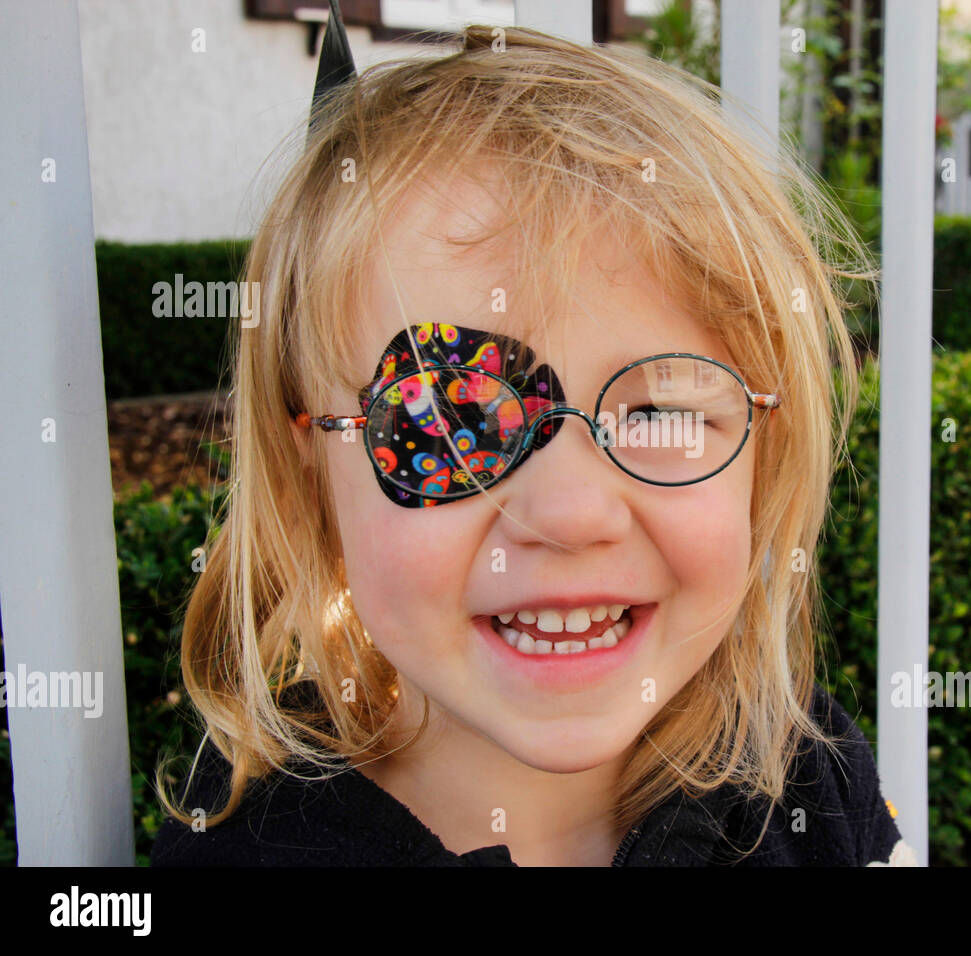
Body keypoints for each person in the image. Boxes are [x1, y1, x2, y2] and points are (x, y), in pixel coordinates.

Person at [150, 11, 917, 868]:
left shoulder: (807, 776)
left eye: (663, 415)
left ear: (762, 454)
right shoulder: (246, 852)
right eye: (447, 419)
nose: (571, 511)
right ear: (312, 476)